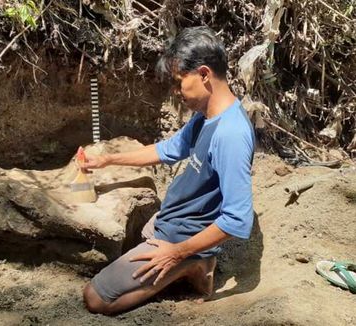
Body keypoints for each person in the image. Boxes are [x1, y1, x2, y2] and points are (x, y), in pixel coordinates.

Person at [81, 26, 255, 315]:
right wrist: (106, 160)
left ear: (203, 74)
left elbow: (237, 219)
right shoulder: (206, 117)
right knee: (141, 233)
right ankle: (192, 259)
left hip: (181, 238)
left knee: (96, 298)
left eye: (178, 81)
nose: (175, 91)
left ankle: (193, 263)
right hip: (172, 222)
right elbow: (167, 150)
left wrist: (177, 253)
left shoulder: (232, 134)